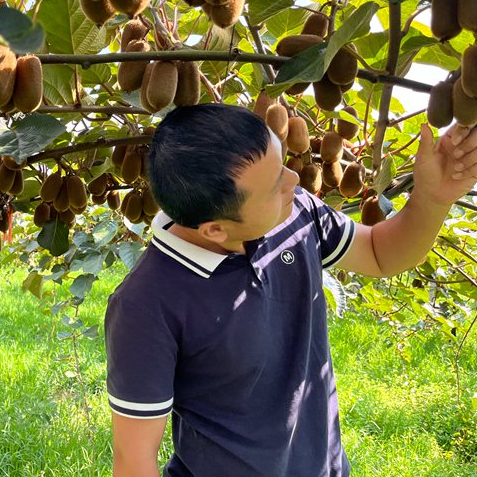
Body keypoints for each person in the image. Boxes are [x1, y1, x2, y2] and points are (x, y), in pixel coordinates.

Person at [104, 103, 477, 477]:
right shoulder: (145, 306)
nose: (292, 182)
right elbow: (134, 460)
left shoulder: (295, 214)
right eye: (272, 188)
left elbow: (381, 254)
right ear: (215, 229)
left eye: (281, 164)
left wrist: (432, 198)